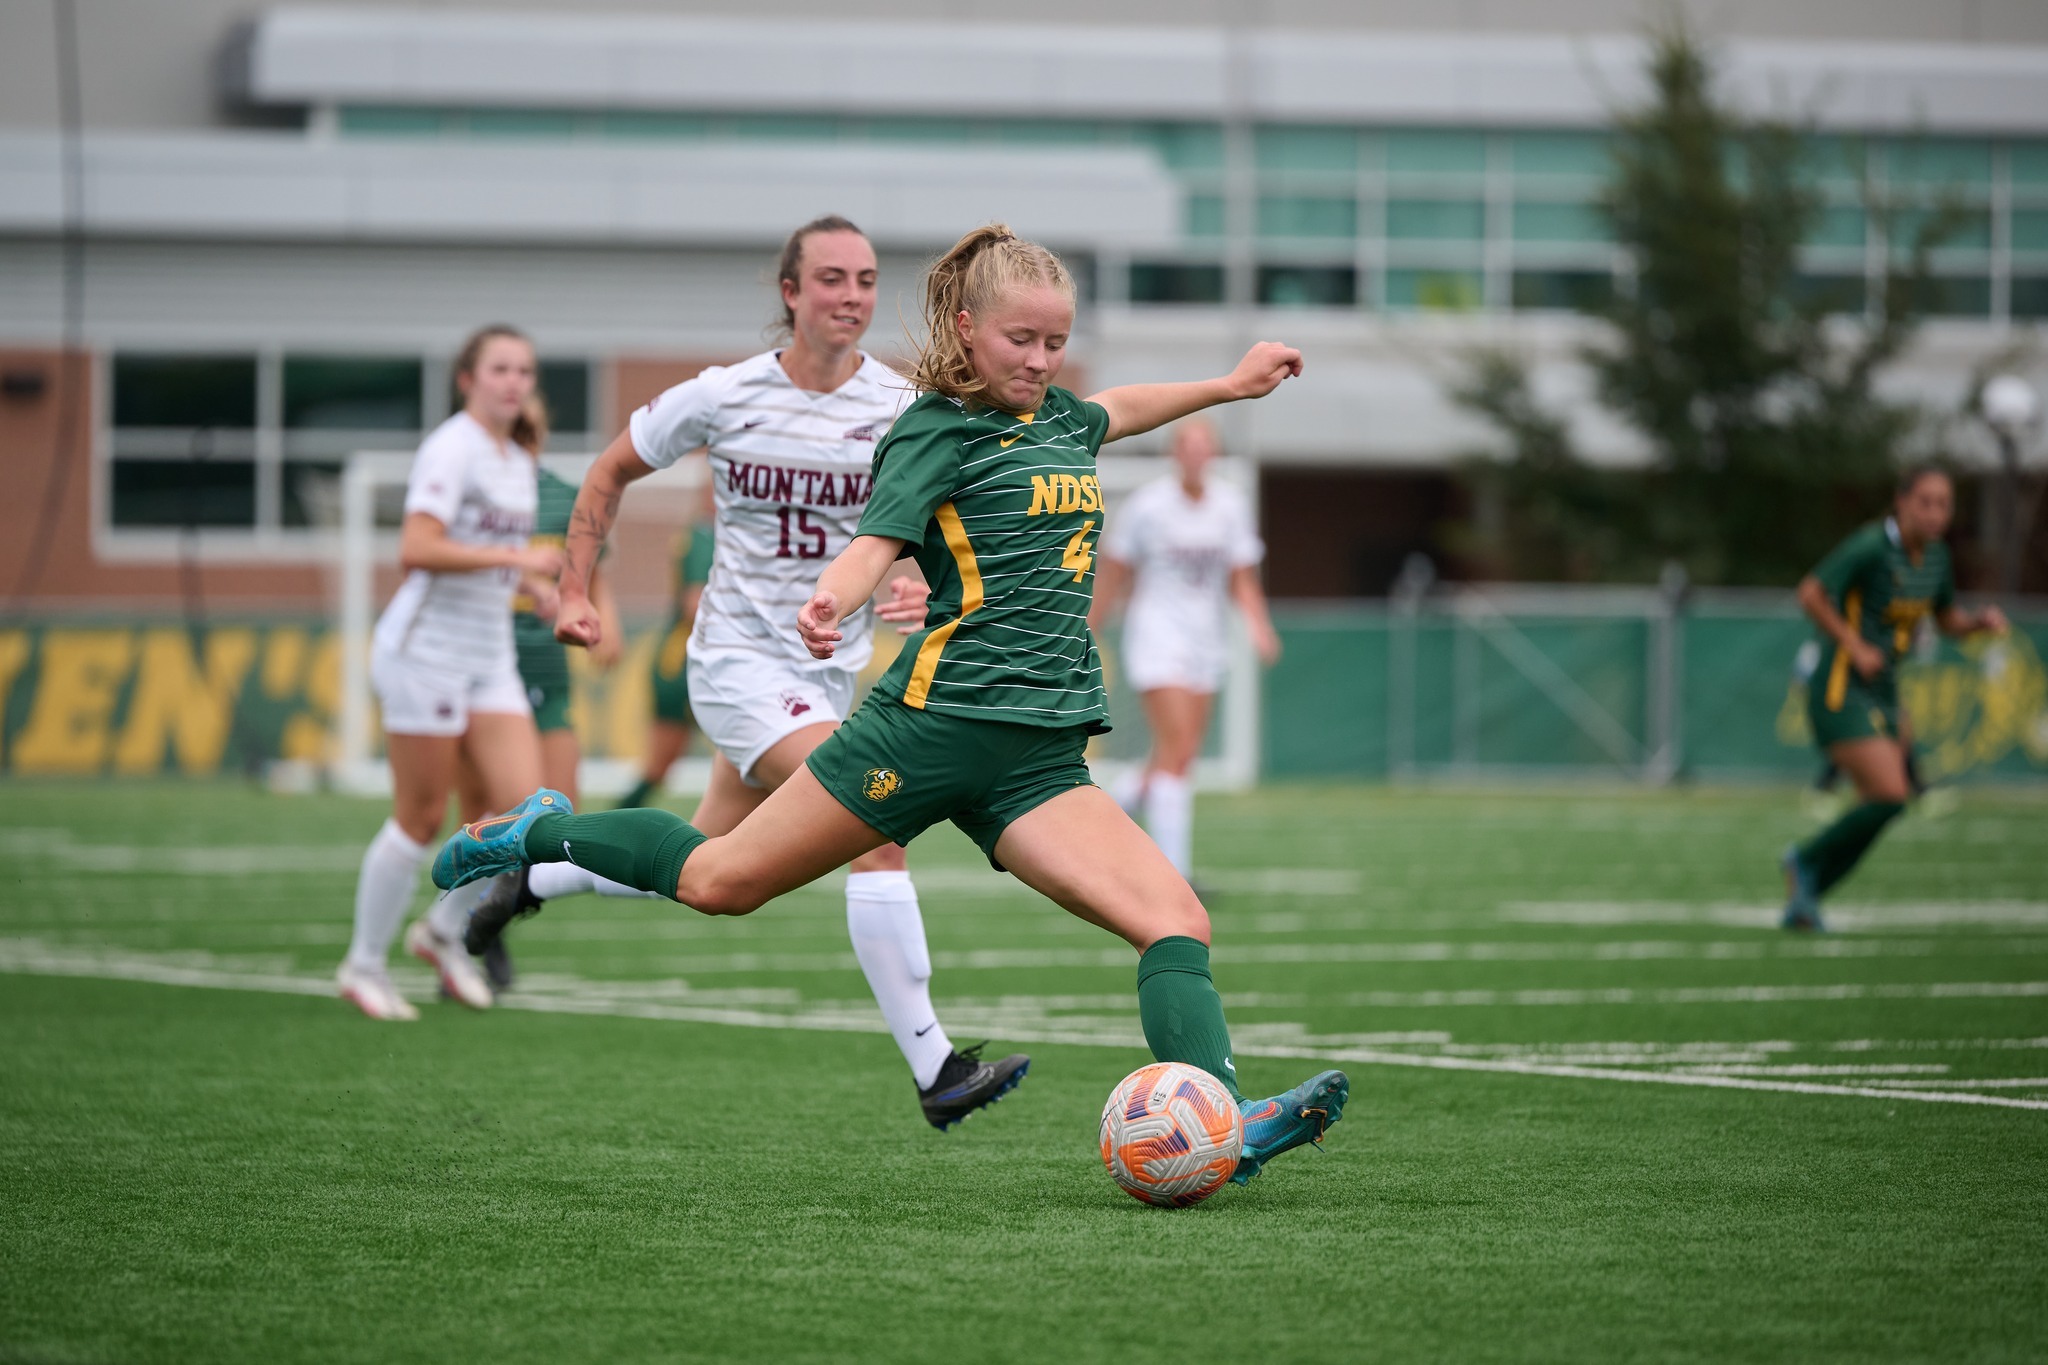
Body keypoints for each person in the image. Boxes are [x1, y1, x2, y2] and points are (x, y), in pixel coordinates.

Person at [440, 224, 1348, 1184]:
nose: (1039, 361)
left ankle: (1221, 1120)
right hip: (927, 731)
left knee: (1177, 921)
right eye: (1019, 341)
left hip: (1037, 757)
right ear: (967, 328)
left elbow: (1120, 405)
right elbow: (877, 543)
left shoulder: (1062, 418)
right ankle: (540, 836)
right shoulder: (934, 428)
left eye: (1054, 342)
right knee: (719, 881)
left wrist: (1228, 384)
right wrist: (834, 597)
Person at [465, 216, 1020, 1131]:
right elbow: (607, 473)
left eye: (867, 279)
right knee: (879, 817)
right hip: (733, 663)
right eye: (832, 278)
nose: (851, 295)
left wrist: (919, 577)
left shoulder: (897, 406)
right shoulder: (724, 396)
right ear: (791, 293)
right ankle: (936, 1067)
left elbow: (928, 522)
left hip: (827, 671)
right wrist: (573, 587)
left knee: (715, 870)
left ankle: (536, 864)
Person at [335, 325, 563, 1021]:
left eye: (523, 369)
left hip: (486, 652)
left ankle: (439, 932)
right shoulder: (452, 446)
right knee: (422, 815)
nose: (513, 381)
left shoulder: (517, 457)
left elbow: (491, 562)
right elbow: (418, 547)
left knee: (526, 812)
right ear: (467, 379)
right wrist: (525, 563)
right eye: (499, 368)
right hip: (424, 652)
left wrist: (539, 592)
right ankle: (363, 963)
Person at [1781, 465, 2008, 931]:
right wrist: (1855, 644)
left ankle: (1807, 888)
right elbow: (1810, 592)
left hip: (1884, 692)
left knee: (1888, 801)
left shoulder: (1937, 558)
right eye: (1925, 501)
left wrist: (1978, 623)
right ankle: (1803, 863)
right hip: (1839, 688)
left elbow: (1946, 622)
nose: (1934, 512)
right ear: (1901, 502)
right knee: (1890, 792)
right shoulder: (1870, 546)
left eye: (1944, 503)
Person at [1088, 417, 1280, 883]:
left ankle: (1111, 811)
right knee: (1176, 751)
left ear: (1212, 455)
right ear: (1175, 454)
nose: (1196, 455)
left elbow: (1242, 579)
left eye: (1204, 447)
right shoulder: (1148, 508)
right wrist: (1089, 627)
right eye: (1187, 447)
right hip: (1157, 637)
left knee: (1181, 753)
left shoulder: (1230, 507)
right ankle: (1175, 875)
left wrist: (1259, 625)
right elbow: (1114, 572)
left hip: (1206, 642)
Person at [616, 487, 715, 811]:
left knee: (661, 769)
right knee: (660, 766)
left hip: (685, 658)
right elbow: (694, 604)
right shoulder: (706, 535)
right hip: (687, 662)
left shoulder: (703, 533)